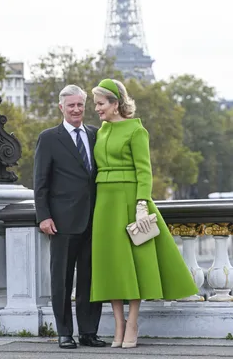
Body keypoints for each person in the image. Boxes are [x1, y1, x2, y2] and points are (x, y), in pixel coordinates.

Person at [90, 79, 198, 349]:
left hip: (129, 201)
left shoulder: (137, 130)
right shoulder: (100, 132)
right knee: (110, 265)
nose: (97, 109)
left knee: (134, 263)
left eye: (100, 104)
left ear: (116, 104)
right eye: (96, 104)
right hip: (104, 202)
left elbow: (144, 171)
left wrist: (141, 204)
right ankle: (117, 324)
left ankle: (132, 323)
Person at [34, 85, 106, 349]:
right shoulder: (49, 138)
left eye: (80, 105)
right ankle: (64, 332)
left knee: (90, 278)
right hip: (62, 222)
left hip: (95, 219)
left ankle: (89, 332)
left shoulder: (97, 135)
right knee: (62, 280)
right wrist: (44, 216)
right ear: (61, 108)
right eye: (71, 105)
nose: (76, 110)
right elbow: (40, 181)